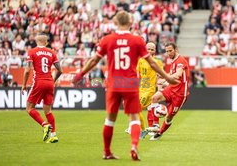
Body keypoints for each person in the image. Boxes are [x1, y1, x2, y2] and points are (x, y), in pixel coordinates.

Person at [72, 11, 179, 161]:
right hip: (130, 83)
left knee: (110, 119)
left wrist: (80, 74)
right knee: (134, 117)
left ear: (115, 23)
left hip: (114, 83)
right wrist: (167, 77)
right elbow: (153, 62)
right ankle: (134, 146)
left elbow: (94, 60)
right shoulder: (136, 41)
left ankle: (107, 151)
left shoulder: (107, 39)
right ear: (130, 23)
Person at [21, 33, 62, 143]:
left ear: (36, 41)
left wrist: (24, 84)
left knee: (29, 108)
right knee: (48, 110)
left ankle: (45, 125)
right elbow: (60, 70)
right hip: (49, 82)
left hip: (39, 82)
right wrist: (52, 81)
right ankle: (54, 135)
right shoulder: (52, 52)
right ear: (47, 42)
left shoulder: (32, 52)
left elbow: (27, 70)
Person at [147, 42, 189, 141]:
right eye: (167, 51)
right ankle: (156, 125)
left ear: (176, 50)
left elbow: (178, 74)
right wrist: (164, 80)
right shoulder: (173, 61)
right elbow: (172, 75)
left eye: (170, 51)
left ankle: (160, 133)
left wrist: (165, 77)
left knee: (169, 117)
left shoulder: (180, 61)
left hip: (180, 94)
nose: (168, 53)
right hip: (171, 89)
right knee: (154, 98)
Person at [125, 42, 164, 139]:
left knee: (136, 109)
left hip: (149, 90)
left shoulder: (157, 62)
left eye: (152, 49)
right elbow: (136, 74)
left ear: (155, 51)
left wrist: (160, 87)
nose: (150, 51)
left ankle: (140, 129)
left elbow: (161, 76)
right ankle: (140, 129)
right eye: (148, 49)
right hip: (141, 89)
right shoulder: (140, 61)